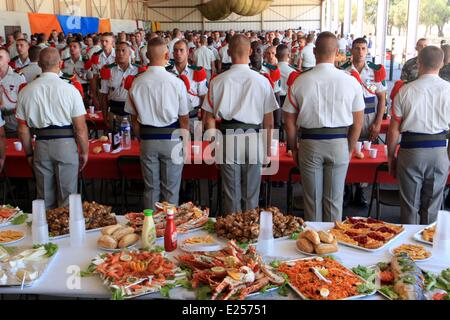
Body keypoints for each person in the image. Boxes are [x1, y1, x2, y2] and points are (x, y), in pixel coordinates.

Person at [283, 32, 364, 222]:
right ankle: (333, 246)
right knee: (334, 200)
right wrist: (350, 148)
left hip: (310, 143)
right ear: (337, 52)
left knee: (312, 200)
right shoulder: (351, 81)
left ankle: (314, 246)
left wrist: (293, 147)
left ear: (314, 51)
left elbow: (289, 120)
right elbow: (358, 122)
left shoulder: (300, 81)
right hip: (338, 142)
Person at [202, 34, 279, 215]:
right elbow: (269, 122)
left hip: (229, 138)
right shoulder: (262, 81)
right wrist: (267, 149)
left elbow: (208, 119)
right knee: (251, 194)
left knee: (231, 194)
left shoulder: (217, 81)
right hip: (254, 138)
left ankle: (233, 236)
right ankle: (250, 235)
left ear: (228, 52)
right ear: (250, 51)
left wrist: (213, 147)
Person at [16, 48, 89, 209]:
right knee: (67, 199)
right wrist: (84, 152)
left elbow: (23, 129)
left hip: (41, 144)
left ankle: (45, 232)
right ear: (60, 63)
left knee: (44, 198)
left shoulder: (26, 91)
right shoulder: (71, 89)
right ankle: (66, 233)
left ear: (39, 64)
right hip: (66, 144)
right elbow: (80, 128)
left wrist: (29, 153)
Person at [125, 37, 189, 209]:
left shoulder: (136, 82)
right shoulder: (176, 82)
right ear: (167, 55)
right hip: (172, 140)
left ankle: (150, 229)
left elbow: (134, 119)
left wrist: (142, 138)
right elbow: (184, 119)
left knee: (151, 189)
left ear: (146, 55)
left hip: (148, 140)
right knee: (171, 191)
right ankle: (169, 230)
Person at [388, 46, 450, 225]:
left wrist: (391, 157)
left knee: (409, 206)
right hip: (439, 151)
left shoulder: (405, 91)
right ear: (441, 63)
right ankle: (430, 248)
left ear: (419, 62)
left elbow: (393, 130)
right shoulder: (448, 90)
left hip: (410, 151)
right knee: (432, 207)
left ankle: (408, 250)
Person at [341, 37, 387, 207]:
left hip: (368, 115)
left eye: (363, 48)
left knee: (366, 155)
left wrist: (378, 122)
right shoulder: (343, 70)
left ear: (367, 51)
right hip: (349, 116)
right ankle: (346, 189)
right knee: (348, 151)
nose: (360, 52)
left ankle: (361, 191)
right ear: (351, 50)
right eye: (357, 48)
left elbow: (381, 98)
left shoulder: (375, 71)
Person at [167, 40, 208, 136]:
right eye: (176, 51)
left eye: (181, 50)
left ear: (188, 52)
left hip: (193, 117)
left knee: (196, 147)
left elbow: (204, 99)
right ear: (173, 53)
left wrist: (202, 122)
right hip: (173, 118)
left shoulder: (197, 72)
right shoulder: (167, 73)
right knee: (175, 148)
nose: (178, 53)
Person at [99, 42, 139, 128]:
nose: (120, 53)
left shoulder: (138, 70)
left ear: (129, 53)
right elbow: (104, 95)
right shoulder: (108, 70)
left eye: (123, 50)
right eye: (117, 51)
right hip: (113, 112)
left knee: (132, 140)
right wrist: (105, 117)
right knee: (113, 139)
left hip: (132, 114)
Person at [0, 48, 26, 137]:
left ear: (8, 59)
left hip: (12, 117)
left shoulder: (17, 76)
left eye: (0, 57)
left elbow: (24, 99)